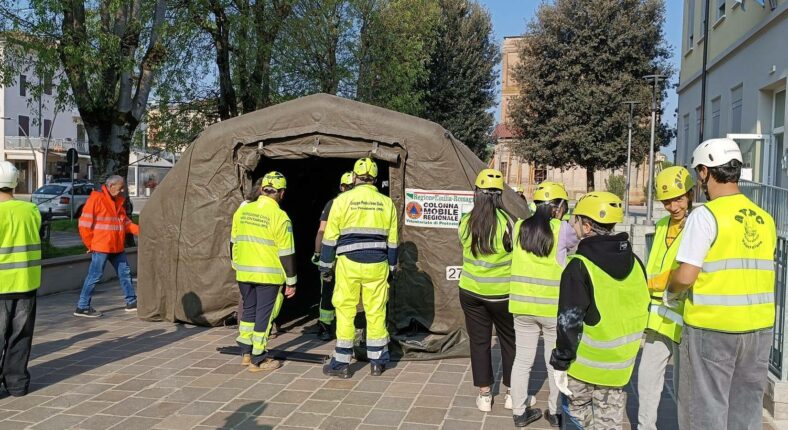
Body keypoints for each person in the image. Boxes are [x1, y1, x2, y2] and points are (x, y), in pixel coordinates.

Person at [666, 138, 776, 430]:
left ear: (705, 171)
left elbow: (686, 275)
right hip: (759, 329)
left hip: (711, 329)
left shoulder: (705, 215)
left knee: (704, 413)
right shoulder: (766, 219)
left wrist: (670, 287)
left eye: (698, 173)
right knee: (746, 412)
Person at [550, 191, 649, 429]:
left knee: (577, 420)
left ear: (586, 226)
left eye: (575, 220)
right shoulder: (635, 262)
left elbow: (568, 322)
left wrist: (561, 362)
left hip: (583, 367)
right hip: (619, 367)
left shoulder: (579, 266)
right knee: (609, 423)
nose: (572, 225)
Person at [320, 158, 398, 378]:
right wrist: (391, 268)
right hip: (378, 264)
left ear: (354, 177)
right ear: (374, 179)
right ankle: (378, 362)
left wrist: (325, 266)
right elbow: (393, 241)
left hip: (348, 264)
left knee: (345, 311)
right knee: (376, 311)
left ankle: (341, 365)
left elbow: (330, 238)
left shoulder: (342, 201)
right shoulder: (387, 203)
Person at [509, 181, 578, 428]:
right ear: (558, 207)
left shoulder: (518, 227)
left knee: (523, 360)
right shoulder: (563, 229)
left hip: (521, 306)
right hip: (551, 309)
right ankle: (555, 412)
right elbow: (574, 247)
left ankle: (519, 412)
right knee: (554, 363)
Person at [637, 166, 694, 430]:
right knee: (647, 379)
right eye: (667, 201)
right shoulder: (661, 225)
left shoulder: (698, 224)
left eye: (678, 199)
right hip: (658, 316)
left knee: (686, 388)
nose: (673, 206)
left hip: (687, 318)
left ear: (690, 195)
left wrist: (661, 282)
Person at [458, 169, 516, 412]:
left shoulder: (465, 221)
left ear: (477, 194)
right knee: (509, 342)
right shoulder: (509, 222)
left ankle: (484, 395)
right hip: (502, 294)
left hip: (471, 292)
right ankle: (513, 393)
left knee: (479, 342)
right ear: (499, 195)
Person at [231, 171, 297, 372]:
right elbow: (287, 253)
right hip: (268, 275)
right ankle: (259, 358)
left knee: (249, 310)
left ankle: (245, 352)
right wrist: (291, 280)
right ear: (282, 193)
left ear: (262, 189)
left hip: (244, 272)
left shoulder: (242, 211)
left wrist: (236, 265)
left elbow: (232, 242)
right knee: (264, 315)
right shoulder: (280, 217)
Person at [0, 161, 41, 397]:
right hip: (26, 282)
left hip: (1, 286)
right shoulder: (30, 210)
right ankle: (17, 384)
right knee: (21, 336)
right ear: (15, 183)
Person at [74, 175, 140, 317]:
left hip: (116, 246)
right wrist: (90, 245)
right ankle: (82, 306)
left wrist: (142, 231)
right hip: (102, 247)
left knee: (125, 273)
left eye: (123, 187)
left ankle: (131, 302)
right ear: (111, 186)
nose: (123, 190)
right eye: (120, 187)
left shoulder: (117, 201)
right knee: (95, 276)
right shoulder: (96, 199)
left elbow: (125, 223)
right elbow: (84, 225)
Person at [311, 171, 354, 341]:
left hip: (331, 254)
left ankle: (325, 327)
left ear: (341, 187)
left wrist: (317, 253)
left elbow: (322, 231)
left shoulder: (333, 204)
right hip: (351, 256)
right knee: (350, 292)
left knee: (328, 290)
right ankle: (349, 329)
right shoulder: (360, 205)